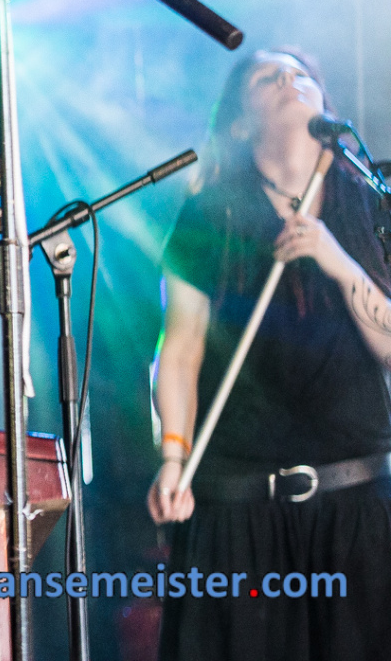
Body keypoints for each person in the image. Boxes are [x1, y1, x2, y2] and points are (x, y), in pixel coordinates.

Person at [148, 48, 391, 661]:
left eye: (301, 74)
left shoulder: (370, 201)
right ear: (238, 122)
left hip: (355, 501)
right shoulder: (211, 211)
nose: (289, 79)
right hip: (239, 504)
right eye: (267, 76)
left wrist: (335, 260)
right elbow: (180, 348)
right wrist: (174, 456)